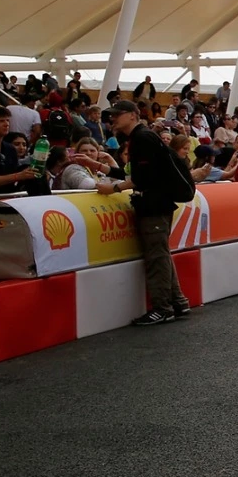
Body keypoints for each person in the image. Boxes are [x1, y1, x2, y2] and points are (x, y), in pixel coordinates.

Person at [97, 100, 191, 325]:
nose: (113, 120)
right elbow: (136, 173)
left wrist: (113, 188)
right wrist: (102, 167)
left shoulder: (142, 138)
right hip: (158, 203)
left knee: (156, 257)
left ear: (132, 115)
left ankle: (163, 307)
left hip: (154, 205)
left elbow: (142, 178)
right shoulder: (144, 137)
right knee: (161, 254)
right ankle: (177, 301)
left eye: (117, 115)